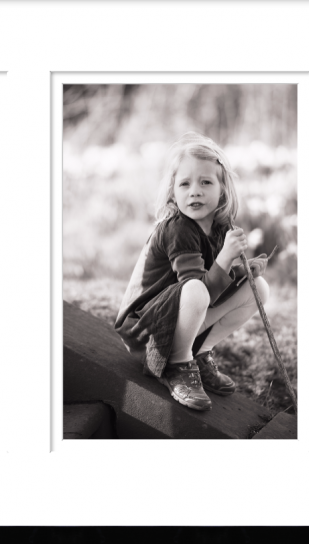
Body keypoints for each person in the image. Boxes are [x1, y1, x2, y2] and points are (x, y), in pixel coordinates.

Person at [115, 132, 270, 412]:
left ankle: (196, 353)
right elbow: (199, 290)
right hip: (146, 333)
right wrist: (224, 260)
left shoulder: (221, 227)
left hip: (177, 319)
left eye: (205, 182)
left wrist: (239, 272)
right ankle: (177, 365)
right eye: (184, 183)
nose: (194, 191)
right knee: (196, 289)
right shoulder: (179, 228)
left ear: (223, 189)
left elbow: (208, 283)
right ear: (173, 191)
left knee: (259, 287)